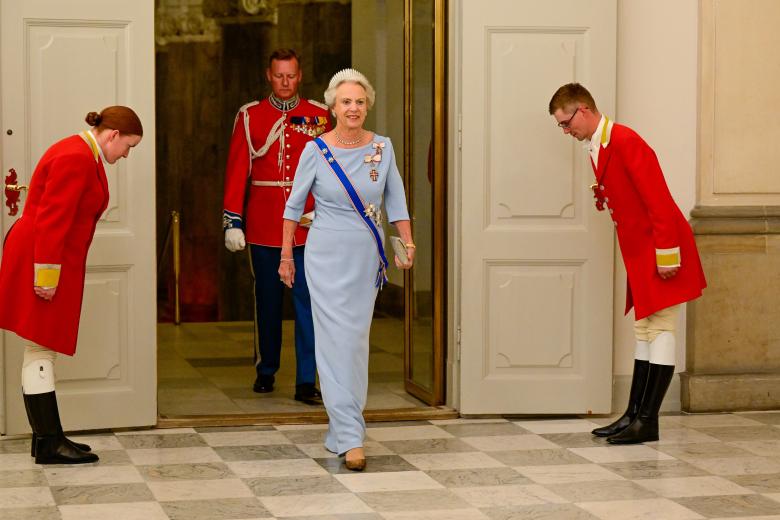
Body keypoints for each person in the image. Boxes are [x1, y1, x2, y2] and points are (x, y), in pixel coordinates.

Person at [549, 83, 706, 444]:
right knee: (644, 329)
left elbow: (659, 200)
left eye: (565, 123)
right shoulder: (599, 144)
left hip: (661, 247)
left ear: (583, 110)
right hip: (639, 249)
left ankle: (648, 421)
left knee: (661, 327)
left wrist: (667, 254)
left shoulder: (625, 140)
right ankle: (633, 415)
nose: (566, 131)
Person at [279, 69, 414, 470]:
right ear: (332, 107)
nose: (353, 108)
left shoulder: (383, 149)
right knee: (332, 339)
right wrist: (287, 255)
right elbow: (292, 207)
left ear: (367, 105)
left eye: (359, 101)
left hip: (364, 256)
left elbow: (398, 203)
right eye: (345, 102)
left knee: (354, 342)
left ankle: (340, 429)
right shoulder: (316, 150)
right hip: (324, 254)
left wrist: (408, 243)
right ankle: (352, 435)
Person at [0, 106, 143, 464]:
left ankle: (48, 439)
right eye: (128, 146)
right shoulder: (76, 157)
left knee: (40, 346)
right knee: (41, 345)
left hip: (44, 256)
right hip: (41, 258)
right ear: (112, 135)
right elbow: (53, 220)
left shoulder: (83, 154)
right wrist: (46, 277)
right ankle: (49, 442)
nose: (126, 155)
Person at [222, 49, 330, 404]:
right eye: (279, 75)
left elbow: (333, 173)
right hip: (265, 225)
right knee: (266, 302)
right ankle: (266, 370)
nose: (285, 83)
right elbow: (238, 170)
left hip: (308, 225)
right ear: (269, 76)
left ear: (300, 76)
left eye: (291, 76)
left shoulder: (319, 115)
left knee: (308, 303)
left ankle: (305, 380)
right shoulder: (251, 116)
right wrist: (232, 220)